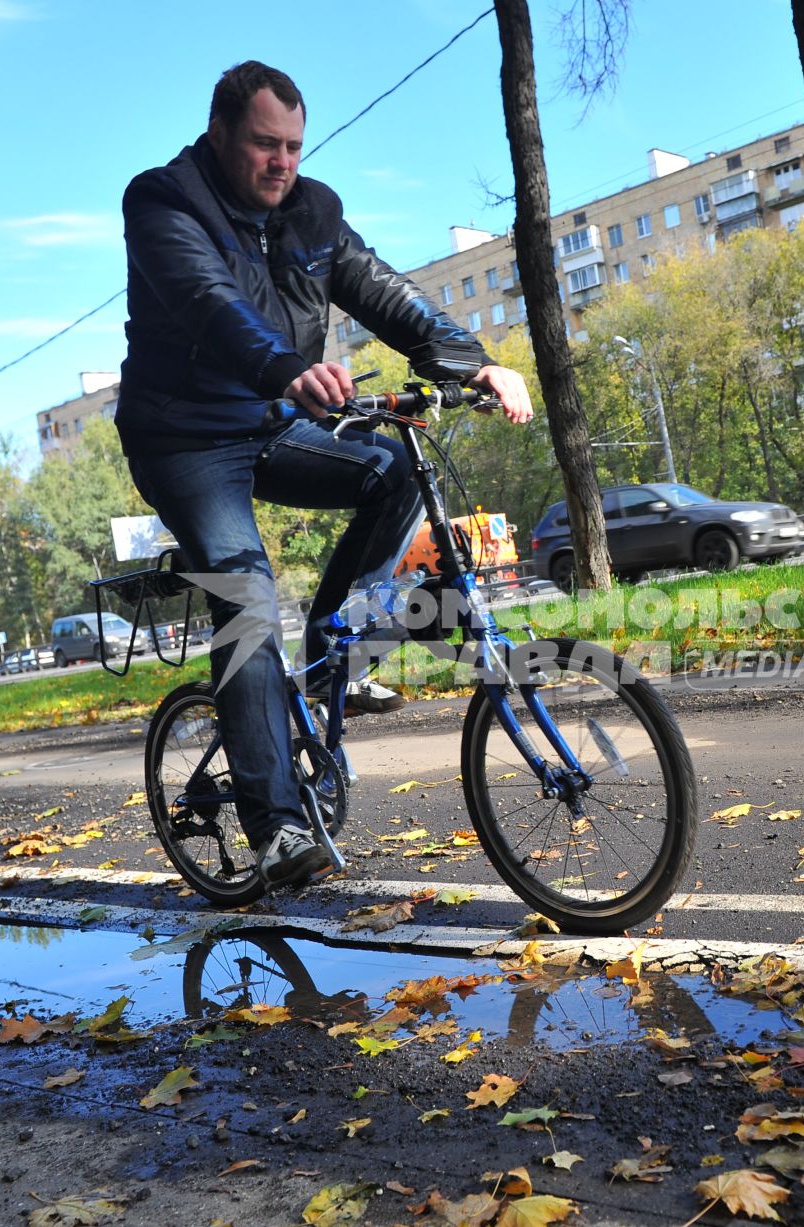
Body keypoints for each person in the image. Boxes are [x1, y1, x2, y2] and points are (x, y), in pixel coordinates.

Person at [116, 60, 534, 889]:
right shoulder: (164, 201)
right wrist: (282, 368)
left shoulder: (314, 211)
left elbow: (384, 292)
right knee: (245, 596)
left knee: (393, 468)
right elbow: (208, 303)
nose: (282, 163)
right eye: (266, 145)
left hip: (275, 421)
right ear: (221, 134)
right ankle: (273, 827)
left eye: (294, 147)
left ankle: (335, 659)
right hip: (185, 441)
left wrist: (474, 361)